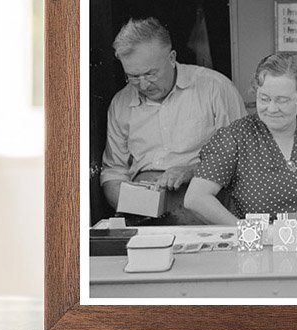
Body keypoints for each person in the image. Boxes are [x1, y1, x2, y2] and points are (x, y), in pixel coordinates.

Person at [184, 53, 297, 224]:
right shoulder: (236, 137)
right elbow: (196, 198)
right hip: (257, 248)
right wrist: (246, 233)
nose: (271, 109)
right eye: (264, 98)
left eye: (282, 100)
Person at [100, 17, 246, 223]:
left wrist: (191, 171)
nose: (143, 84)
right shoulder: (120, 103)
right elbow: (114, 171)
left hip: (205, 204)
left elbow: (243, 157)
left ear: (171, 57)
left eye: (150, 73)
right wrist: (131, 206)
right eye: (133, 76)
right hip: (142, 211)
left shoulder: (215, 88)